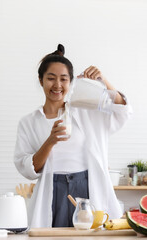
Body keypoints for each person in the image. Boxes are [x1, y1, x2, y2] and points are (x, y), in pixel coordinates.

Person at [13, 44, 132, 228]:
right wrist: (50, 141)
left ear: (71, 82)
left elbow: (122, 110)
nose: (57, 85)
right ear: (40, 80)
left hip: (87, 187)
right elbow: (29, 169)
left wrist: (103, 81)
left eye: (64, 79)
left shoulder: (86, 111)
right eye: (51, 78)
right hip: (53, 191)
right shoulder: (29, 122)